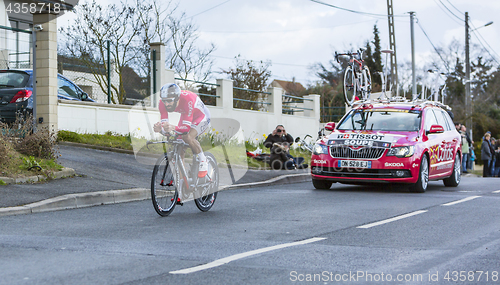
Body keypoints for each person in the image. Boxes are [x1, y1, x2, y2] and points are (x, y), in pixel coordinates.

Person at [153, 83, 211, 178]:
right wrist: (161, 130)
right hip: (187, 115)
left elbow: (186, 129)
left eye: (169, 101)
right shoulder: (162, 104)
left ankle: (203, 160)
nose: (166, 104)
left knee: (187, 136)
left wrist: (173, 127)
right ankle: (183, 184)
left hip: (201, 116)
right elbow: (167, 131)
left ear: (176, 99)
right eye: (164, 101)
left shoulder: (188, 100)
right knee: (178, 148)